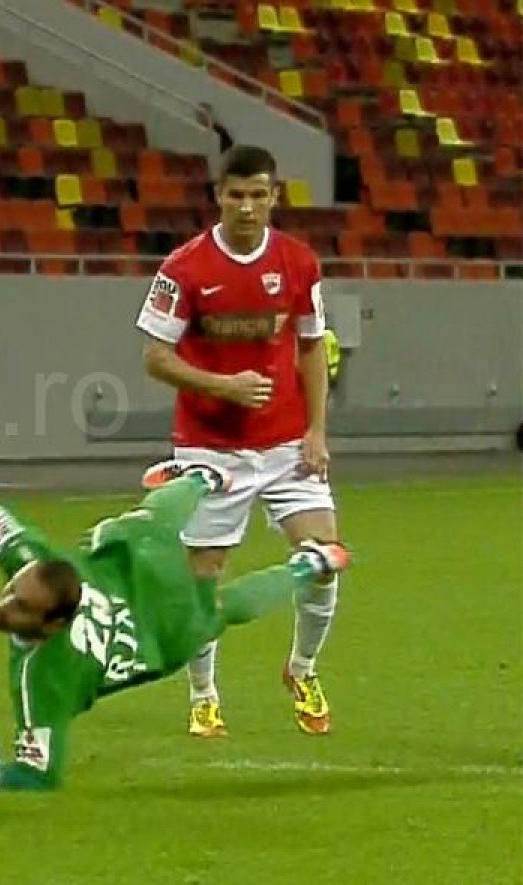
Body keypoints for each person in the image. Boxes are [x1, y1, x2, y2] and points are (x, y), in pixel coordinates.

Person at [0, 463, 350, 792]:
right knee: (144, 524)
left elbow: (40, 774)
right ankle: (201, 480)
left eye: (21, 607)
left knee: (218, 609)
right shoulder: (33, 559)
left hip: (162, 634)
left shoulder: (44, 679)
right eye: (13, 591)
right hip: (125, 573)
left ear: (53, 625)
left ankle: (305, 564)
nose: (5, 603)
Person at [134, 144, 339, 737]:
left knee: (324, 560)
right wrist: (223, 386)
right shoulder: (184, 268)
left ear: (274, 197)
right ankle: (203, 695)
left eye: (258, 195)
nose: (247, 207)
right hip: (210, 444)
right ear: (218, 196)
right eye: (236, 195)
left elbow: (311, 349)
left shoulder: (299, 263)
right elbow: (155, 357)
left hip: (286, 441)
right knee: (205, 573)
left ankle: (302, 668)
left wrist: (317, 430)